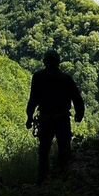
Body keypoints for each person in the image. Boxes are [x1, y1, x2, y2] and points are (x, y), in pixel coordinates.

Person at [26, 49, 84, 183]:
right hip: (62, 119)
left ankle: (42, 181)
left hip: (46, 119)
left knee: (44, 151)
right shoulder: (65, 78)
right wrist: (79, 114)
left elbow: (33, 100)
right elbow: (77, 98)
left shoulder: (38, 77)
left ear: (44, 61)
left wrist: (29, 117)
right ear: (58, 62)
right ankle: (63, 179)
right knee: (64, 149)